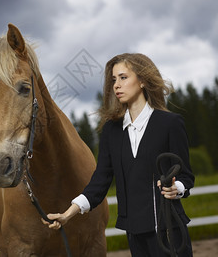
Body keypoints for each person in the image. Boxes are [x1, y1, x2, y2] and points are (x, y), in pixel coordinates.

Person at [43, 53, 194, 256]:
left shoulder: (170, 124)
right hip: (134, 233)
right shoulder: (111, 131)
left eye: (123, 77)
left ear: (142, 81)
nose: (116, 85)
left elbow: (186, 176)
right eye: (113, 80)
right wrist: (69, 213)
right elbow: (100, 181)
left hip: (169, 230)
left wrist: (177, 188)